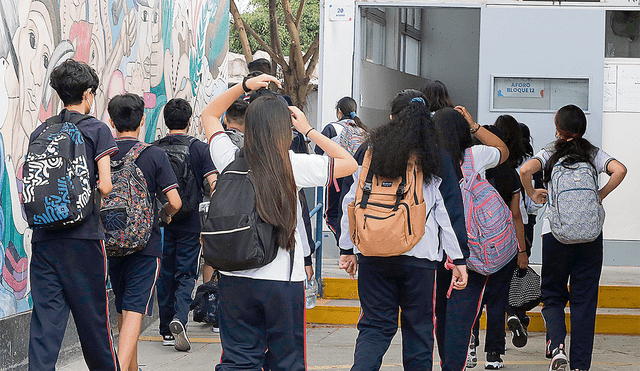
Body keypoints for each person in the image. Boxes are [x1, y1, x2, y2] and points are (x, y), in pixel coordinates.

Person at [201, 73, 357, 370]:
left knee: (238, 359)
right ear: (283, 128)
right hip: (282, 281)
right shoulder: (293, 164)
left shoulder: (229, 157)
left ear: (249, 126)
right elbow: (349, 162)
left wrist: (245, 86)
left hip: (234, 274)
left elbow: (209, 113)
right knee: (287, 360)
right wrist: (309, 129)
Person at [338, 89, 468, 371]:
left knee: (374, 326)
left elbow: (351, 200)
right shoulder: (434, 155)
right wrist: (458, 260)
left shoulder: (369, 151)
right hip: (419, 257)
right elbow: (448, 211)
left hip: (373, 252)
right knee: (419, 331)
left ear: (391, 117)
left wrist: (347, 249)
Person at [27, 59, 120, 371]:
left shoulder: (41, 130)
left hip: (43, 241)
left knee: (45, 326)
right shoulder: (97, 129)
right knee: (94, 322)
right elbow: (106, 186)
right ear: (88, 94)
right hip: (83, 239)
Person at [520, 104, 626, 371]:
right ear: (582, 129)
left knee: (553, 295)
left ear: (558, 129)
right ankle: (580, 366)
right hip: (591, 237)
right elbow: (620, 170)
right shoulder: (592, 153)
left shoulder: (549, 152)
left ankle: (556, 347)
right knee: (584, 301)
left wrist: (533, 193)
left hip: (556, 235)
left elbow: (524, 171)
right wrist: (599, 195)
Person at [107, 93, 181, 371]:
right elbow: (174, 201)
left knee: (121, 308)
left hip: (111, 240)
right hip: (144, 244)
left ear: (111, 121)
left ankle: (131, 367)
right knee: (135, 309)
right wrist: (165, 216)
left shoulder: (103, 153)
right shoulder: (153, 155)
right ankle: (119, 366)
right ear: (143, 120)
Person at [431, 106, 509, 371]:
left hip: (436, 250)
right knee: (461, 317)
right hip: (470, 250)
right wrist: (475, 126)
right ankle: (453, 366)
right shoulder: (474, 156)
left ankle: (446, 363)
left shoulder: (427, 160)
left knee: (440, 313)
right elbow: (504, 150)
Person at [154, 98, 217, 351]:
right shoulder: (200, 148)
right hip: (190, 222)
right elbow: (213, 184)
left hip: (161, 219)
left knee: (165, 273)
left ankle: (165, 329)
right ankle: (179, 318)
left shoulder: (154, 149)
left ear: (165, 121)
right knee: (185, 273)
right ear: (190, 121)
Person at [469, 119, 528, 369]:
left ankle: (469, 350)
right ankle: (493, 357)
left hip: (471, 249)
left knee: (472, 302)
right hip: (503, 249)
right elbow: (516, 214)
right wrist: (522, 250)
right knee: (496, 303)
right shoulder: (509, 173)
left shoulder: (467, 170)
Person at [315, 96, 367, 242]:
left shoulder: (332, 128)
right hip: (359, 178)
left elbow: (319, 152)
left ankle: (343, 249)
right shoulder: (363, 130)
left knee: (333, 215)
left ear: (339, 112)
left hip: (338, 178)